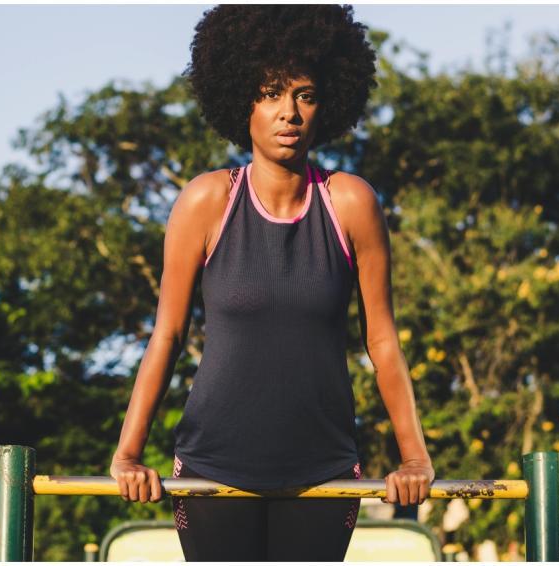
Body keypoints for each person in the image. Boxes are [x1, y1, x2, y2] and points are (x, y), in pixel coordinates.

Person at [110, 4, 435, 561]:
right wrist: (128, 453)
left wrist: (415, 459)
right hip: (214, 471)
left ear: (326, 103)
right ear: (243, 101)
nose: (289, 112)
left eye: (304, 95)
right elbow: (165, 335)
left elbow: (381, 340)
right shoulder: (205, 201)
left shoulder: (351, 203)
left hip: (323, 472)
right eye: (270, 93)